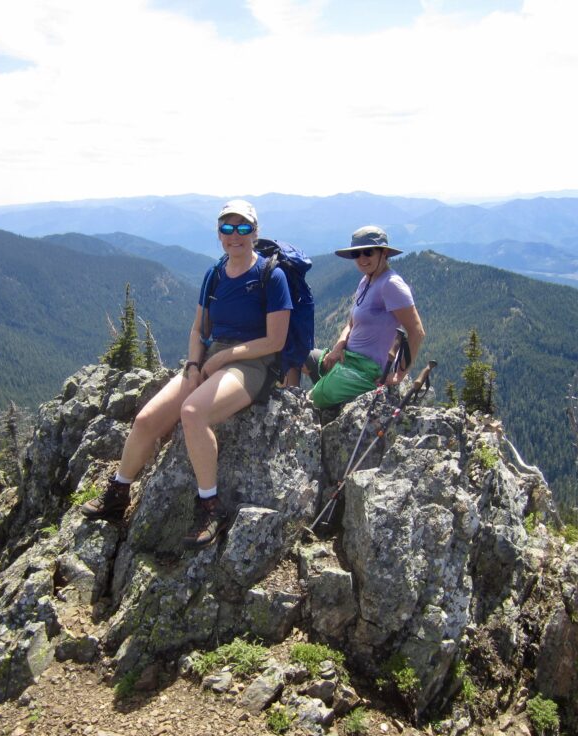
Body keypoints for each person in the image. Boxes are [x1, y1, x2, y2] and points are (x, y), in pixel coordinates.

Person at [79, 200, 292, 548]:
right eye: (227, 228)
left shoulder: (271, 276)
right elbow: (198, 329)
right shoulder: (215, 274)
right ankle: (118, 493)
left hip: (253, 363)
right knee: (147, 419)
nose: (234, 235)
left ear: (255, 232)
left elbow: (275, 340)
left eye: (243, 228)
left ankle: (211, 507)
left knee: (193, 412)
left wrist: (224, 358)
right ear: (219, 234)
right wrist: (194, 365)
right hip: (211, 357)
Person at [305, 225, 425, 409]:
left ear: (384, 252)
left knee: (313, 398)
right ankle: (333, 399)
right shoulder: (366, 280)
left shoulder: (391, 284)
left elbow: (417, 331)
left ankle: (331, 405)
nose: (362, 259)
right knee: (301, 357)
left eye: (368, 252)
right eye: (356, 254)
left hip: (367, 370)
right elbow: (351, 323)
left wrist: (399, 375)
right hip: (348, 359)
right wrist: (338, 347)